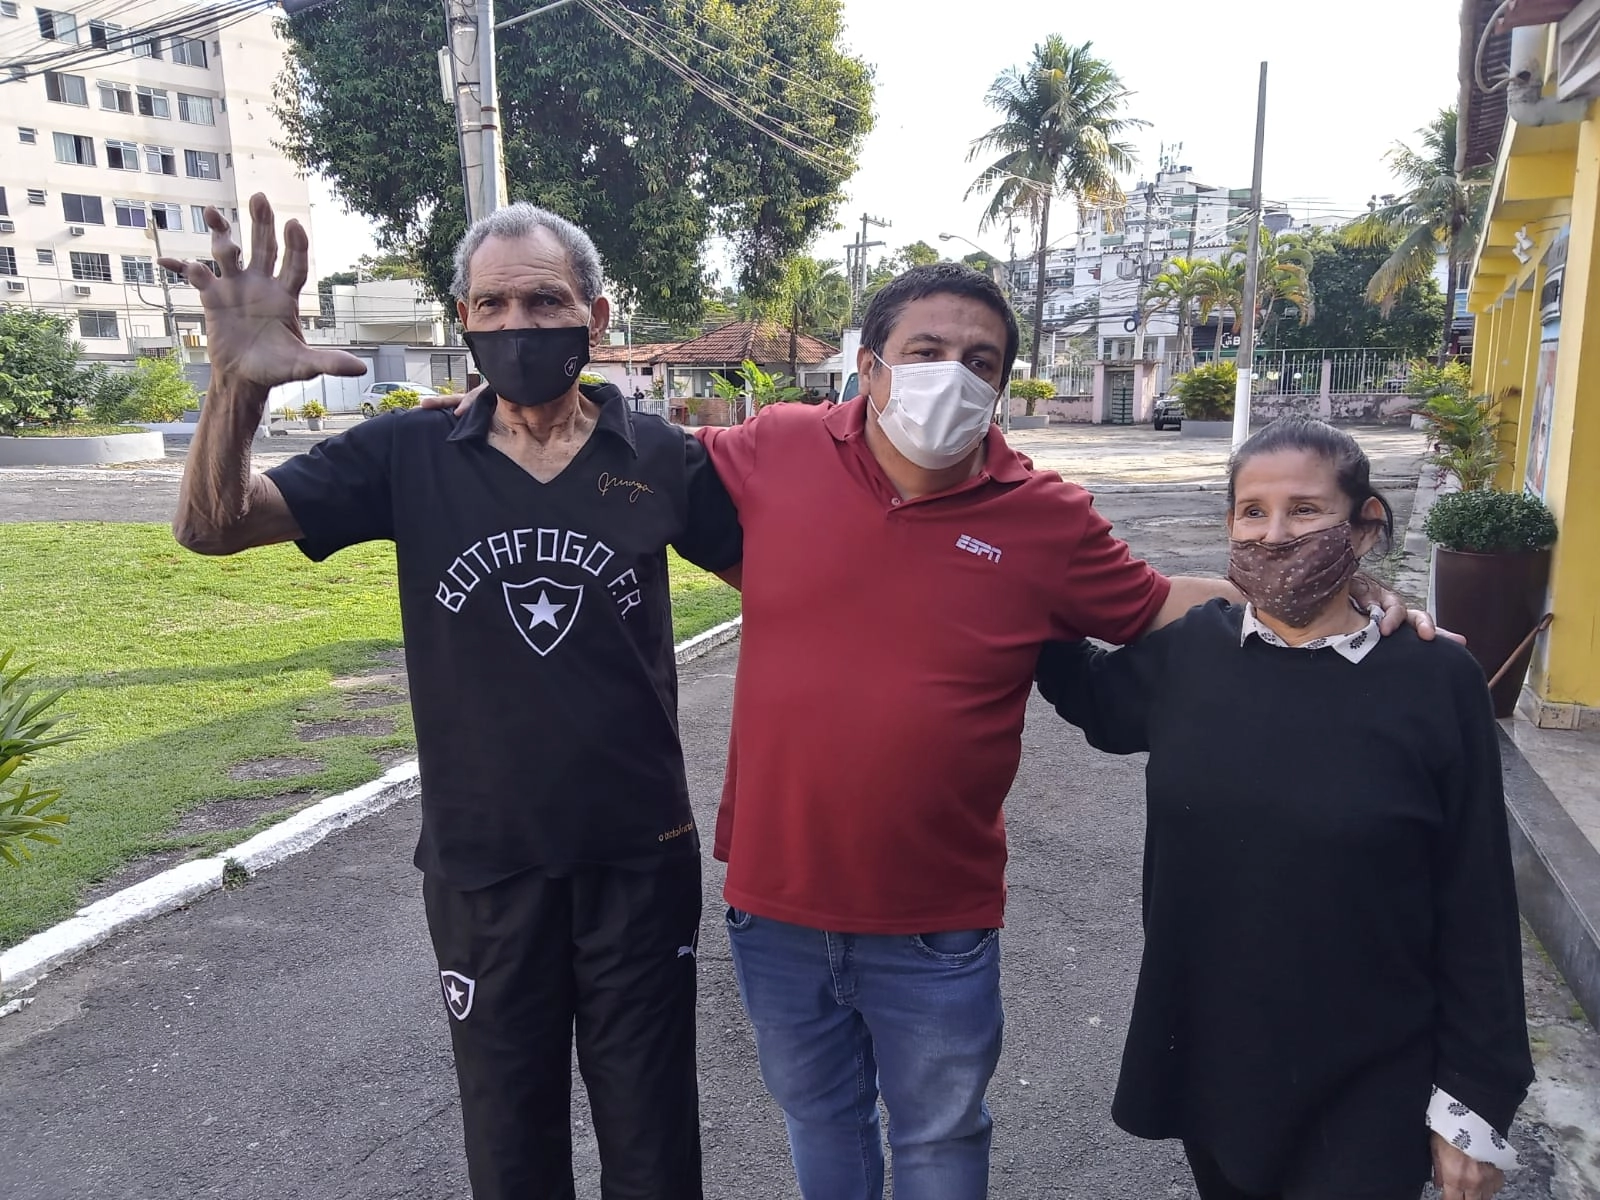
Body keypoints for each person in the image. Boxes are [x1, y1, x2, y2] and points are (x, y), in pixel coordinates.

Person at [431, 263, 1438, 1199]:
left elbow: (1155, 602)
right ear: (867, 367)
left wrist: (1331, 590)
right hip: (774, 906)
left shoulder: (1042, 515)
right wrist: (492, 421)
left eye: (981, 361)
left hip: (936, 921)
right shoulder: (775, 448)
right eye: (924, 352)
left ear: (1003, 385)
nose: (951, 375)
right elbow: (622, 456)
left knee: (940, 1135)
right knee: (820, 1123)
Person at [165, 193, 742, 1200]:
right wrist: (232, 389)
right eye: (493, 305)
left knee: (653, 1149)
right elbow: (215, 526)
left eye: (542, 301)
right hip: (486, 870)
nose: (517, 325)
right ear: (463, 320)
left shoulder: (661, 459)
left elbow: (789, 584)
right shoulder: (407, 455)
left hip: (638, 863)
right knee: (510, 1151)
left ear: (595, 319)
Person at [1034, 416, 1533, 1200]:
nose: (1273, 535)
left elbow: (1477, 897)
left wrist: (1476, 1095)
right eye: (1252, 511)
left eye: (1305, 510)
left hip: (1373, 1065)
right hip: (1218, 1056)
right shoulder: (1193, 654)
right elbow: (1091, 694)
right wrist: (1017, 575)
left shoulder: (1436, 681)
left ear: (1365, 528)